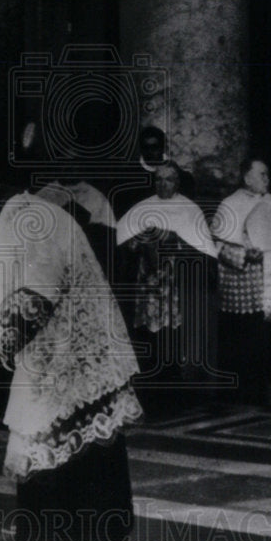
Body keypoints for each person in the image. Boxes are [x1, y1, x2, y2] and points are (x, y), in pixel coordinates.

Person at [0, 149, 142, 541]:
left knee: (63, 454)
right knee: (72, 452)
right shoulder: (3, 217)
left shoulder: (26, 216)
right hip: (58, 354)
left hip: (72, 355)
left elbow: (36, 296)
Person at [116, 161, 219, 411]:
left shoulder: (188, 209)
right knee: (149, 341)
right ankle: (151, 394)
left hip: (178, 291)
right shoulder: (143, 208)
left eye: (169, 179)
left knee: (173, 342)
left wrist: (174, 241)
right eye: (159, 179)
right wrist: (140, 242)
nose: (163, 184)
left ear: (178, 182)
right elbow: (123, 244)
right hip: (147, 290)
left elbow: (204, 251)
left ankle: (174, 395)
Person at [211, 158, 271, 402]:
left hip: (266, 289)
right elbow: (217, 244)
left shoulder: (270, 201)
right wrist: (245, 255)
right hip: (239, 287)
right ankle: (237, 394)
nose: (267, 179)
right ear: (247, 178)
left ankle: (263, 392)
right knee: (240, 341)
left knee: (263, 340)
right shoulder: (229, 204)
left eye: (267, 175)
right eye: (262, 174)